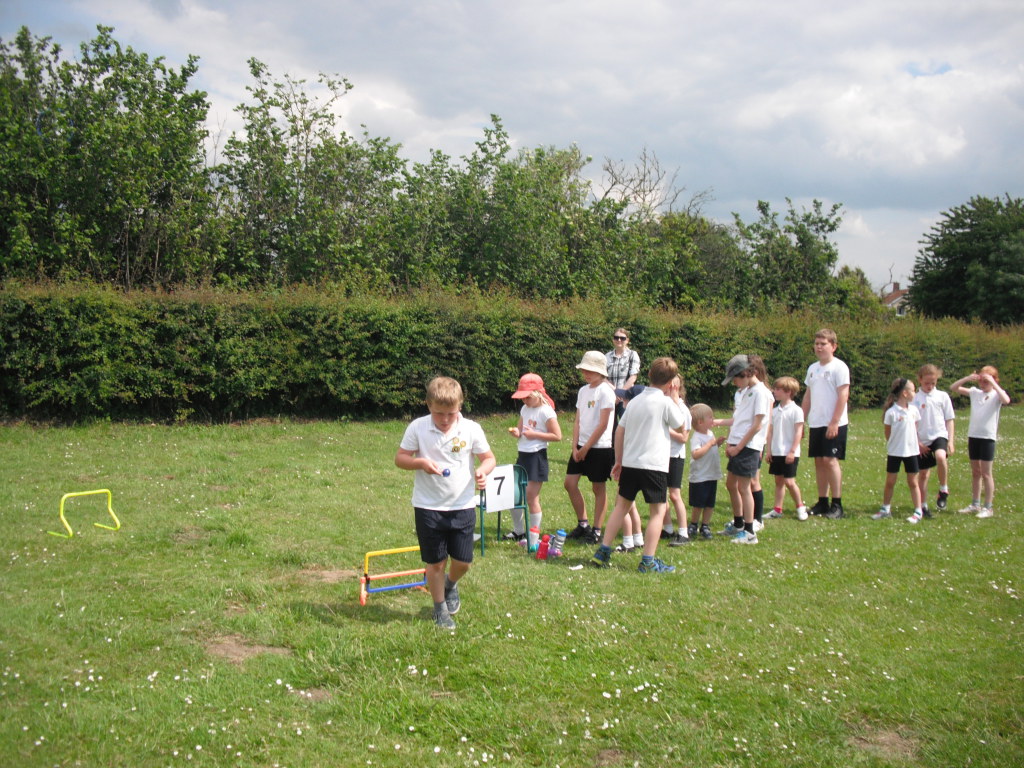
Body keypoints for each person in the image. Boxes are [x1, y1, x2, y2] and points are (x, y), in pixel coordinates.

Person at [395, 376, 496, 630]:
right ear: (428, 405)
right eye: (439, 413)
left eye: (451, 413)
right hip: (428, 506)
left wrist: (483, 471)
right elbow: (401, 458)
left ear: (460, 406)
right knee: (436, 562)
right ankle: (440, 609)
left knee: (463, 562)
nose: (445, 419)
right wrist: (419, 463)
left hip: (462, 505)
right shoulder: (418, 427)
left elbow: (488, 458)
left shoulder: (471, 429)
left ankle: (451, 584)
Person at [591, 357, 687, 573]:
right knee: (657, 512)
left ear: (649, 375)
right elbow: (682, 427)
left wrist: (619, 461)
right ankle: (647, 562)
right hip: (654, 466)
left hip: (631, 464)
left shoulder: (634, 402)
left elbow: (620, 431)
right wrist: (673, 397)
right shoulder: (665, 403)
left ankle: (603, 551)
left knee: (621, 507)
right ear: (671, 381)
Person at [716, 355, 772, 545]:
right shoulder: (747, 391)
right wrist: (731, 443)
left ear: (748, 373)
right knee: (731, 485)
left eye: (736, 379)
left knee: (744, 488)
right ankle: (739, 524)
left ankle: (749, 532)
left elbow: (757, 425)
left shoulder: (761, 393)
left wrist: (739, 447)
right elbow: (740, 420)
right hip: (738, 445)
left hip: (748, 447)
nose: (735, 384)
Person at [564, 351, 616, 543]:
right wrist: (575, 446)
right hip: (581, 444)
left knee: (598, 488)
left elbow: (603, 424)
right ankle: (583, 524)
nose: (586, 374)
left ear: (601, 371)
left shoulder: (606, 391)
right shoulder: (583, 390)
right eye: (584, 370)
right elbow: (578, 419)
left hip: (600, 447)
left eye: (591, 370)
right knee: (569, 483)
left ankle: (596, 530)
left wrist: (587, 447)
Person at [506, 373, 562, 542]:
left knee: (531, 497)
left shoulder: (546, 412)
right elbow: (521, 429)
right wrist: (517, 432)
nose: (524, 401)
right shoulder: (525, 408)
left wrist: (535, 435)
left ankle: (533, 536)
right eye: (522, 398)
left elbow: (557, 436)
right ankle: (518, 531)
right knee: (513, 494)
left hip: (536, 456)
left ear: (537, 394)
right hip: (522, 455)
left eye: (527, 397)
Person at [802, 328, 850, 519]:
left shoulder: (839, 367)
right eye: (817, 344)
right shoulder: (813, 368)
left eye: (823, 344)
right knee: (819, 462)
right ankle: (823, 501)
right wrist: (801, 421)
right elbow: (808, 396)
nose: (819, 347)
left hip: (834, 423)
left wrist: (834, 422)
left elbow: (843, 395)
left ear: (833, 346)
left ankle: (837, 505)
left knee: (830, 461)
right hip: (816, 422)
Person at [950, 366, 1011, 518]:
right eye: (981, 381)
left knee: (986, 473)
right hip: (974, 436)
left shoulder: (996, 395)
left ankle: (988, 507)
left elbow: (1006, 400)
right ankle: (975, 504)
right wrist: (968, 378)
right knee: (976, 472)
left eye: (986, 381)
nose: (982, 384)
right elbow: (954, 387)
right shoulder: (975, 393)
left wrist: (994, 383)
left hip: (988, 438)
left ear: (993, 380)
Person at [873, 378, 924, 523]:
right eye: (913, 390)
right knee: (890, 481)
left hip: (912, 453)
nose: (915, 393)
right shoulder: (891, 412)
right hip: (895, 452)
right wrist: (895, 444)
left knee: (913, 482)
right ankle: (885, 509)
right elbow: (888, 433)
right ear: (905, 393)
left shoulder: (914, 410)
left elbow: (915, 429)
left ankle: (918, 511)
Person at [913, 364, 955, 516]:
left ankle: (943, 489)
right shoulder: (915, 398)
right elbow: (911, 423)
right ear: (920, 380)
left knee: (940, 457)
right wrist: (917, 442)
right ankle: (923, 506)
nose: (930, 386)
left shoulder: (942, 396)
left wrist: (950, 441)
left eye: (933, 383)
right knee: (923, 474)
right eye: (927, 383)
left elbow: (949, 419)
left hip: (939, 435)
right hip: (922, 439)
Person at [765, 376, 808, 520]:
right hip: (776, 451)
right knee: (778, 481)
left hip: (790, 452)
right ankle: (777, 509)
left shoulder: (796, 410)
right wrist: (769, 451)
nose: (774, 392)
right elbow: (770, 432)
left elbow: (798, 432)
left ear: (788, 392)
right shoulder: (775, 411)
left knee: (789, 481)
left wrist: (792, 451)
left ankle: (800, 507)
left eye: (778, 389)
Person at [687, 403, 725, 541]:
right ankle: (693, 524)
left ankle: (705, 525)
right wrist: (710, 444)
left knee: (710, 503)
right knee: (699, 504)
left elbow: (711, 450)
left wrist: (717, 443)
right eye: (710, 417)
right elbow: (696, 454)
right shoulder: (697, 437)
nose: (713, 419)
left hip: (711, 474)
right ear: (700, 422)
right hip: (700, 476)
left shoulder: (710, 434)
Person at [746, 354, 774, 530]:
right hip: (746, 439)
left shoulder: (765, 394)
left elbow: (766, 422)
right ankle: (745, 517)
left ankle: (757, 519)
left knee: (754, 480)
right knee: (745, 482)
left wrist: (765, 444)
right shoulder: (747, 391)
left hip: (756, 441)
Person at [666, 375, 692, 546]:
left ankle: (683, 532)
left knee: (675, 495)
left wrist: (666, 430)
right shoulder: (663, 405)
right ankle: (667, 529)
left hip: (675, 456)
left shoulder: (683, 410)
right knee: (660, 495)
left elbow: (683, 438)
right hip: (661, 455)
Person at [606, 328, 641, 424]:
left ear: (627, 340)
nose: (619, 340)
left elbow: (633, 377)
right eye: (616, 337)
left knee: (625, 427)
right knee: (610, 428)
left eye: (622, 338)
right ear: (613, 340)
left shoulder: (633, 355)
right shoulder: (607, 356)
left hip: (626, 399)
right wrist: (614, 393)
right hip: (610, 397)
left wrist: (620, 394)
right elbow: (603, 378)